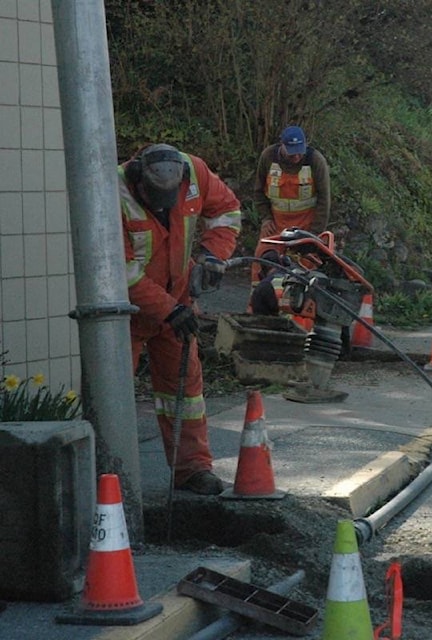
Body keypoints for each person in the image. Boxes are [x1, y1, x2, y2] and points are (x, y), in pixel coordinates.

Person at [118, 143, 242, 495]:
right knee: (112, 393)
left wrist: (213, 256)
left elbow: (227, 211)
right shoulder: (112, 194)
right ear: (139, 179)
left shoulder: (195, 173)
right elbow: (120, 274)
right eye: (154, 200)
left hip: (178, 306)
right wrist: (169, 309)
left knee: (185, 393)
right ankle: (106, 475)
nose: (162, 208)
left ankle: (192, 469)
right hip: (125, 315)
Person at [250, 125, 331, 284]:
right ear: (282, 146)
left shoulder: (316, 161)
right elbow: (258, 192)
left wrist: (315, 235)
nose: (297, 156)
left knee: (303, 273)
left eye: (300, 151)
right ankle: (256, 305)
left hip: (306, 228)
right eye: (292, 152)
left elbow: (324, 200)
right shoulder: (268, 157)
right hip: (275, 226)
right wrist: (266, 218)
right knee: (261, 264)